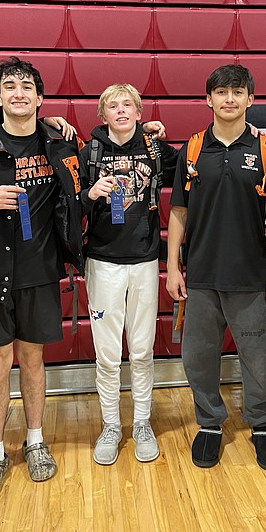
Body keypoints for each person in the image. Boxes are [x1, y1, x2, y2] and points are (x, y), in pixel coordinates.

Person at [0, 56, 85, 499]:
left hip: (40, 273)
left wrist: (152, 133)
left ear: (41, 98)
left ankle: (36, 441)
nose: (19, 92)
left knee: (33, 359)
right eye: (10, 86)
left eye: (28, 86)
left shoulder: (61, 142)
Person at [166, 64, 266, 471]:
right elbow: (179, 212)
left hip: (251, 274)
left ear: (251, 99)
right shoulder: (193, 150)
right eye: (221, 92)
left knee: (255, 356)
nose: (229, 99)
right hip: (200, 275)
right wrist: (173, 267)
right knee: (198, 357)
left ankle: (262, 424)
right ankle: (210, 423)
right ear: (209, 100)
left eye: (237, 92)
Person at [80, 83, 178, 465]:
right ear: (102, 116)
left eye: (128, 105)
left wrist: (249, 130)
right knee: (107, 354)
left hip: (144, 260)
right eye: (112, 106)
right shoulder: (89, 154)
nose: (120, 111)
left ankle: (141, 422)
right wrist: (89, 194)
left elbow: (196, 164)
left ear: (139, 112)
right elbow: (70, 207)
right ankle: (110, 424)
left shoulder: (155, 148)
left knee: (141, 349)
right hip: (103, 261)